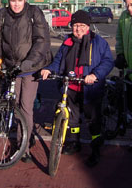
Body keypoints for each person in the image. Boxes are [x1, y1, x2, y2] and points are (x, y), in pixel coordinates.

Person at [0, 0, 52, 163]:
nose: (16, 4)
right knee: (14, 105)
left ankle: (24, 147)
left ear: (25, 0)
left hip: (30, 67)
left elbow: (42, 40)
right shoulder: (2, 15)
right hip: (12, 67)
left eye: (19, 1)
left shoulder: (34, 13)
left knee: (25, 106)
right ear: (8, 0)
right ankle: (23, 136)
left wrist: (30, 61)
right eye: (13, 1)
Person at [41, 10, 114, 167]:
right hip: (71, 87)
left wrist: (95, 75)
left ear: (88, 26)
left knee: (94, 120)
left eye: (82, 25)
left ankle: (96, 149)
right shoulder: (67, 42)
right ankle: (74, 143)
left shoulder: (99, 42)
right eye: (75, 25)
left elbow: (108, 61)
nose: (78, 29)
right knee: (72, 120)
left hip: (90, 88)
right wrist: (49, 69)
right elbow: (58, 61)